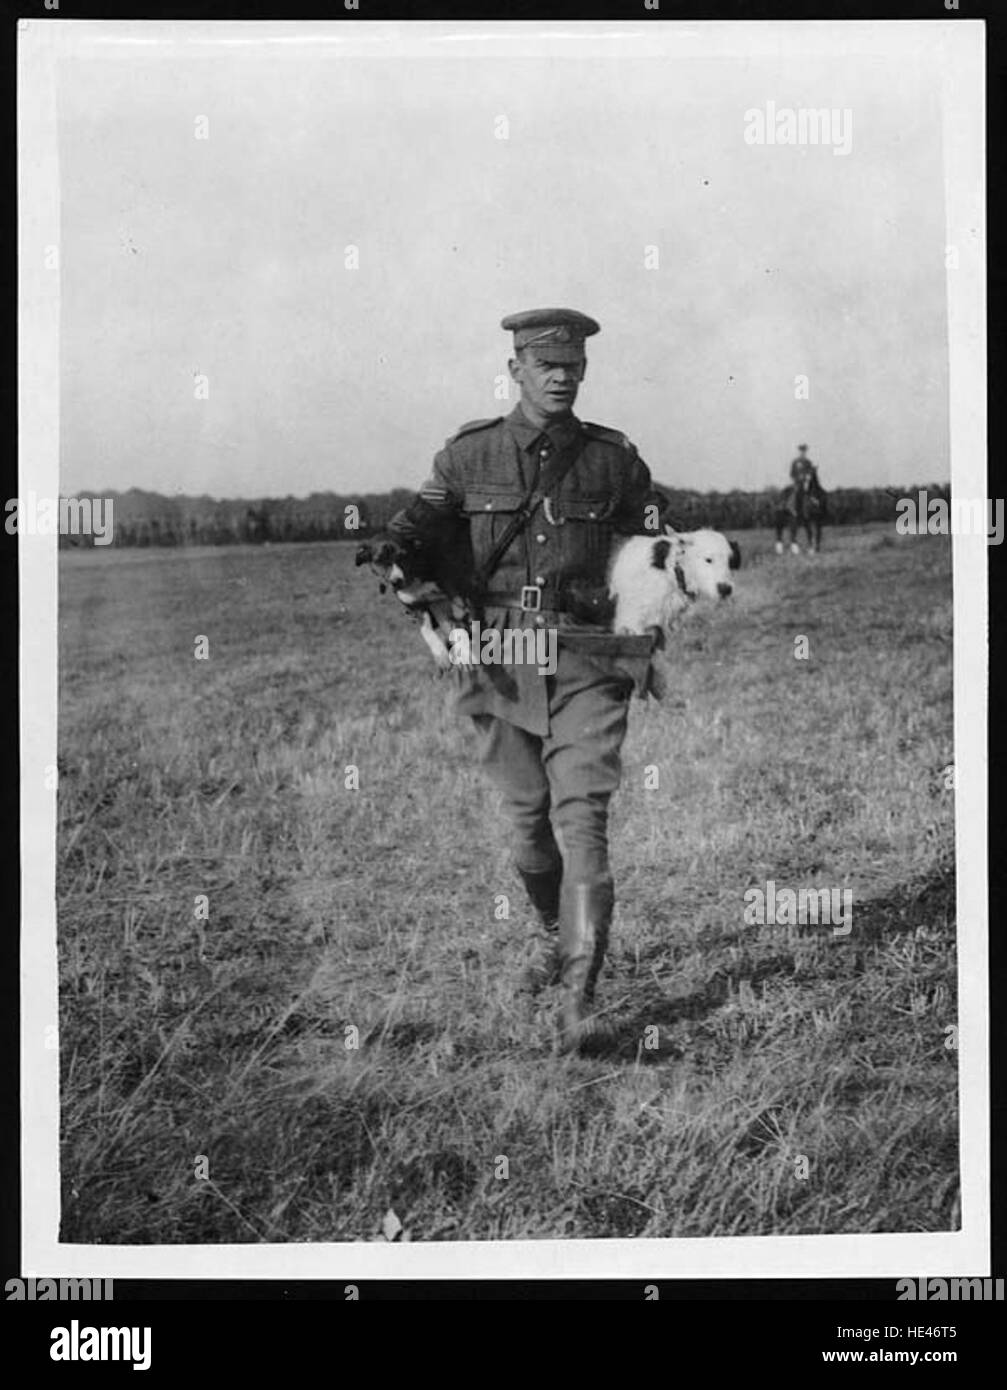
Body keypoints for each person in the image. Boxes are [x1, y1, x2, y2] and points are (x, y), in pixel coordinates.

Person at [383, 308, 665, 1051]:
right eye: (547, 366)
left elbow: (655, 545)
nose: (562, 377)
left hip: (588, 657)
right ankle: (552, 936)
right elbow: (415, 536)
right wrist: (406, 564)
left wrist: (650, 615)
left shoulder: (614, 461)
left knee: (583, 823)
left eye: (572, 367)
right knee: (527, 828)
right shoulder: (467, 457)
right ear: (516, 370)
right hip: (497, 658)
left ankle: (580, 994)